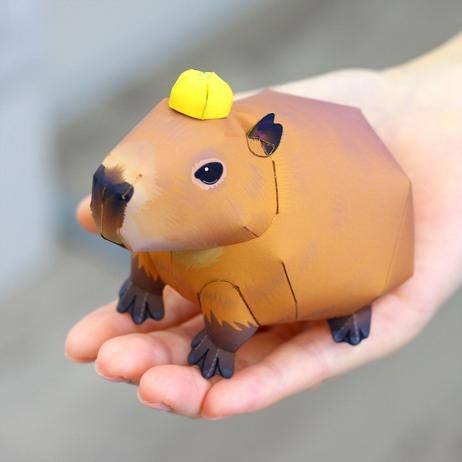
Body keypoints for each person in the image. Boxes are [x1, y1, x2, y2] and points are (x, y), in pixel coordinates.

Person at [65, 34, 462, 418]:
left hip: (342, 238)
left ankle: (353, 307)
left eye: (209, 174)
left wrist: (221, 340)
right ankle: (147, 286)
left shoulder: (242, 246)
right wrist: (146, 280)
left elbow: (235, 310)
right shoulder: (173, 228)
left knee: (291, 287)